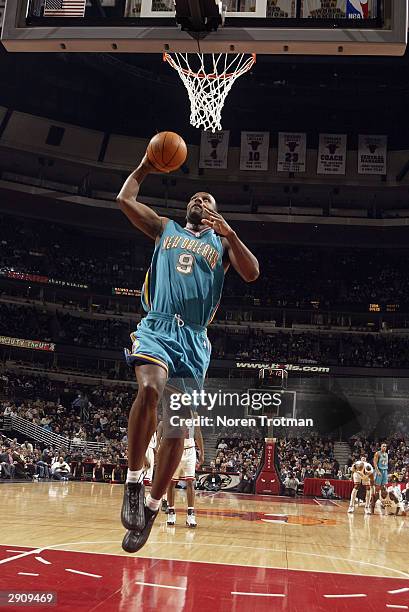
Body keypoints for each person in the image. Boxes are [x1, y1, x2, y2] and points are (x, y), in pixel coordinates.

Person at [117, 151, 259, 553]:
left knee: (177, 429)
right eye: (195, 198)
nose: (199, 202)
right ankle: (133, 480)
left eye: (207, 200)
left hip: (194, 340)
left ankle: (152, 505)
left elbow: (252, 273)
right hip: (158, 326)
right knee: (149, 388)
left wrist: (230, 234)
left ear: (215, 214)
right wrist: (144, 165)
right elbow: (125, 201)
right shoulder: (165, 228)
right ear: (186, 209)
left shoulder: (222, 244)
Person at [166, 416, 204, 528]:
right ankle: (171, 512)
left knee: (190, 482)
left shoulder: (194, 415)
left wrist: (202, 452)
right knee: (172, 482)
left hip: (190, 451)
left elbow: (197, 433)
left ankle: (191, 515)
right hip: (176, 450)